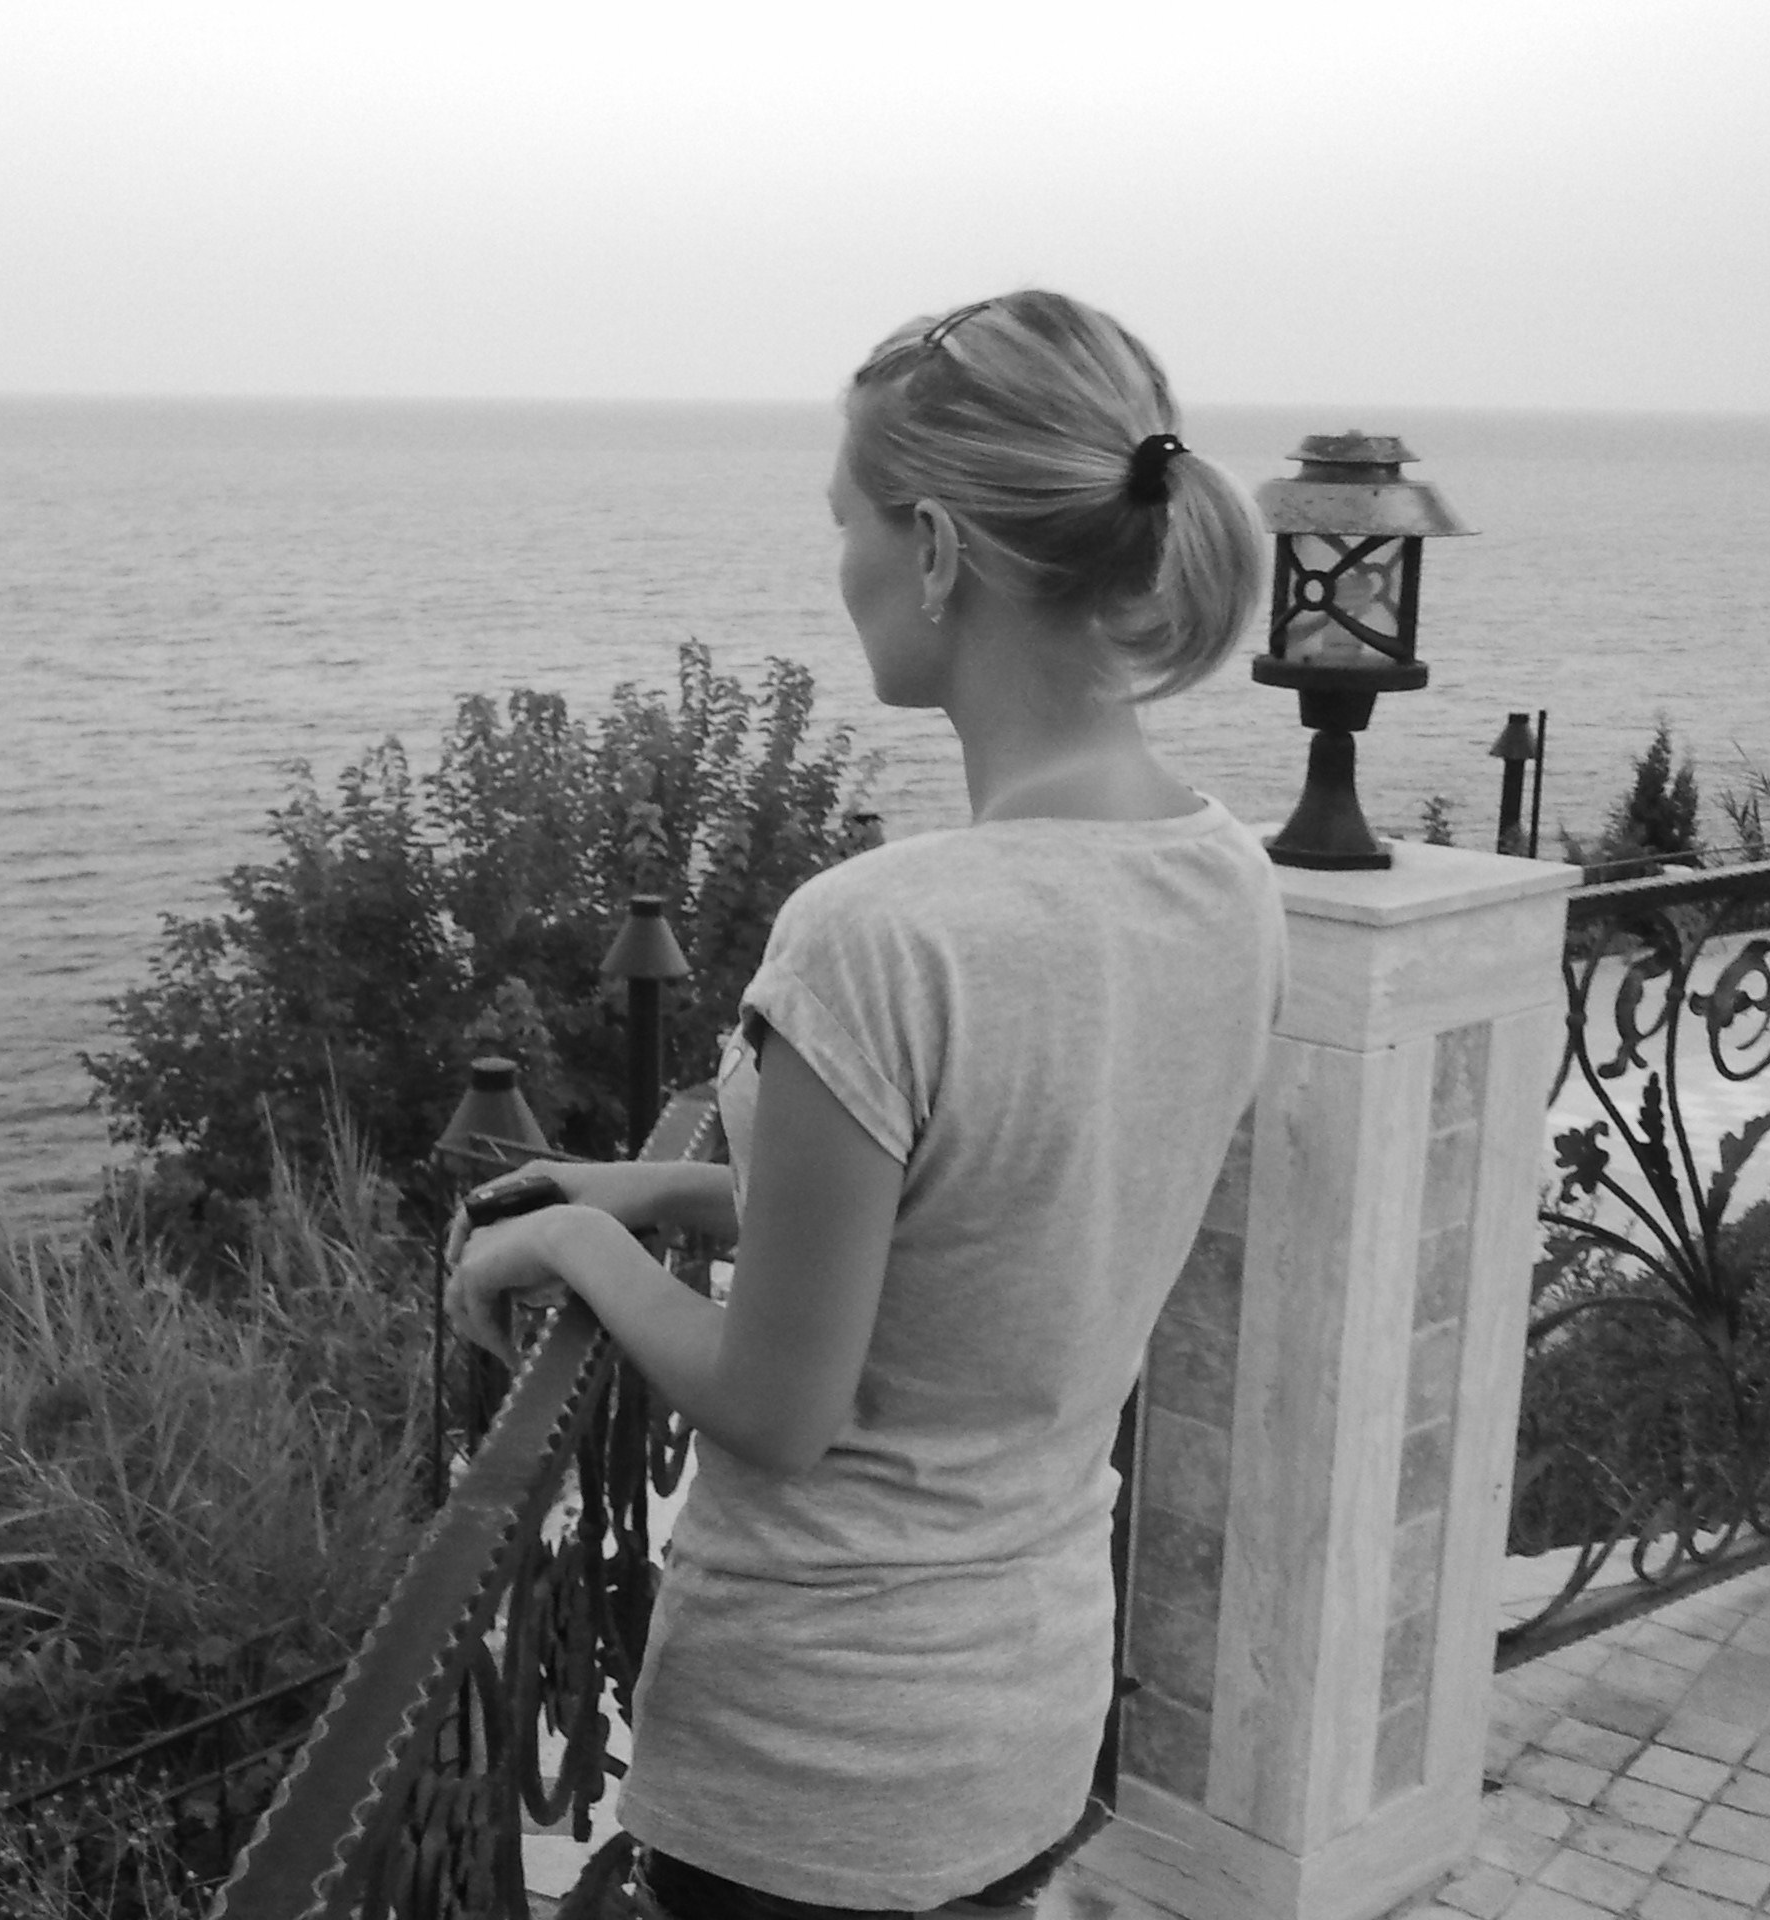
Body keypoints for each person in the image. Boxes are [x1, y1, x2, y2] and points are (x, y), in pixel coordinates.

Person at [445, 289, 1287, 1918]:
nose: (838, 565)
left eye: (847, 521)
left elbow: (780, 1406)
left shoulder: (884, 934)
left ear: (939, 548)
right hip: (1027, 1714)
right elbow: (979, 1228)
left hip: (816, 1767)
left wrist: (570, 1247)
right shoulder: (1224, 880)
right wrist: (660, 1191)